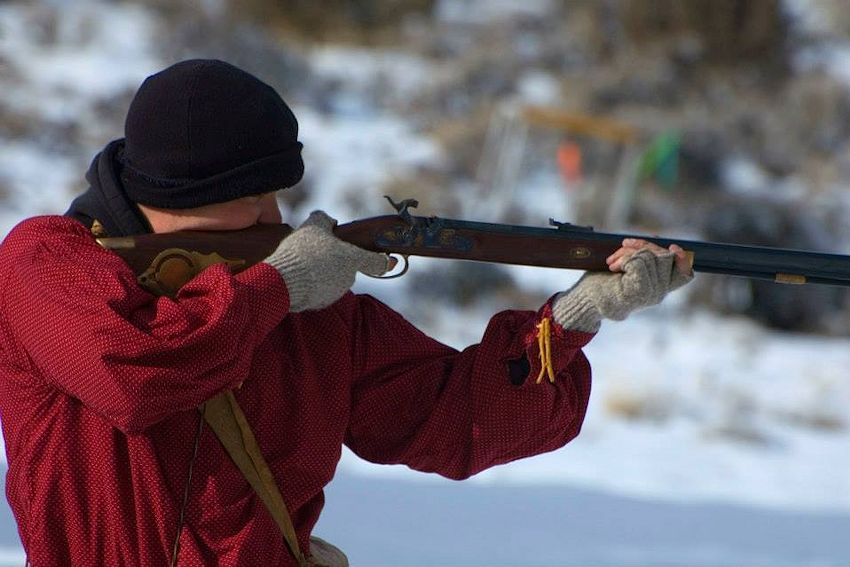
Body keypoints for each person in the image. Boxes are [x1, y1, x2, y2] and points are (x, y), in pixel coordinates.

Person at [0, 59, 692, 567]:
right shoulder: (46, 261)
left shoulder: (307, 309)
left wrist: (574, 316)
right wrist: (278, 287)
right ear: (185, 192)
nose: (276, 219)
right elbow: (134, 372)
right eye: (255, 198)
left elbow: (456, 421)